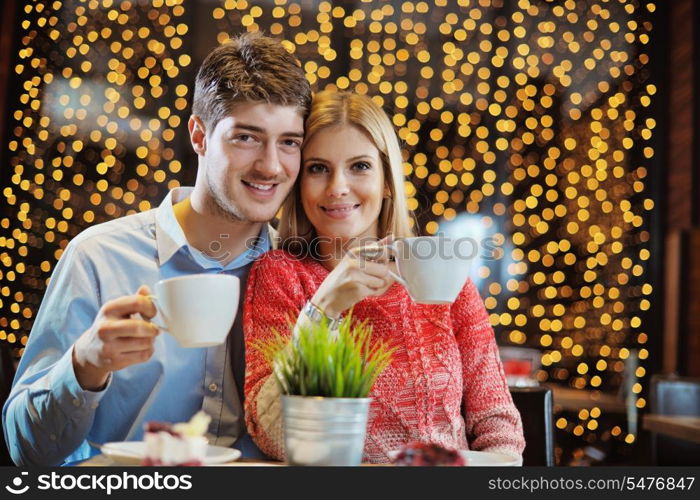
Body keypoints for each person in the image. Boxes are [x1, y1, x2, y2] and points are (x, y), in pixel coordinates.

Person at [2, 32, 311, 466]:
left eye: (289, 142)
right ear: (199, 136)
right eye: (246, 137)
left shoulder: (304, 280)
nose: (271, 166)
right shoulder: (98, 257)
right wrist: (84, 366)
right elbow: (27, 453)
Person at [243, 91, 525, 463]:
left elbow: (497, 422)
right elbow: (274, 437)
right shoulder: (280, 275)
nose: (338, 187)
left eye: (359, 166)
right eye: (318, 168)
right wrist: (323, 309)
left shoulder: (443, 275)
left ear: (388, 180)